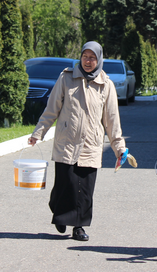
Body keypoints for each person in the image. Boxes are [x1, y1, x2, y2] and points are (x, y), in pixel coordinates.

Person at [28, 41, 126, 242]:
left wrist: (119, 148)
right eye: (85, 57)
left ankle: (79, 227)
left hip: (91, 144)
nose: (88, 61)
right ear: (80, 57)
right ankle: (60, 212)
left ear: (99, 60)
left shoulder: (106, 85)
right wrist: (38, 133)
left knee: (85, 190)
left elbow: (112, 120)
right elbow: (51, 108)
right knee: (65, 186)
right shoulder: (66, 78)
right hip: (67, 141)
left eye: (92, 58)